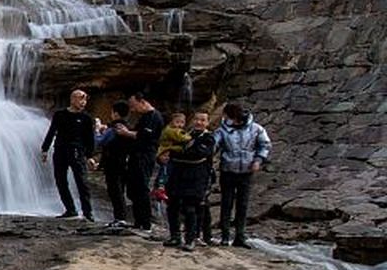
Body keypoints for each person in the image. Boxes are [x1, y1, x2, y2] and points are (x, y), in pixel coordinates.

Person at [214, 102, 272, 248]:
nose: (225, 118)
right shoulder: (223, 130)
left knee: (243, 204)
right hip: (228, 170)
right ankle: (225, 236)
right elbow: (214, 145)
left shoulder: (256, 129)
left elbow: (264, 145)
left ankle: (240, 236)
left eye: (227, 115)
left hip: (246, 171)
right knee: (226, 203)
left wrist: (258, 160)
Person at [39, 88, 97, 220]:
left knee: (81, 182)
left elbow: (89, 138)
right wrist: (45, 149)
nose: (83, 102)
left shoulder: (86, 118)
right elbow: (52, 131)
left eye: (85, 99)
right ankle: (70, 209)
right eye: (80, 98)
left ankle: (87, 213)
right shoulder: (60, 114)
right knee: (60, 181)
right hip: (60, 150)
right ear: (72, 99)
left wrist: (90, 156)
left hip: (77, 151)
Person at [163, 108, 215, 251]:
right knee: (172, 205)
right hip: (177, 175)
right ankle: (175, 236)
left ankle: (190, 239)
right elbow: (171, 150)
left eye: (202, 120)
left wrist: (181, 152)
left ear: (207, 122)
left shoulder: (209, 138)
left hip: (196, 178)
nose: (199, 122)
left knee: (190, 208)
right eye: (197, 119)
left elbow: (199, 154)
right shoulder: (184, 134)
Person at [112, 91, 164, 232]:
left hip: (145, 156)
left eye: (134, 106)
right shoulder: (144, 117)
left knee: (141, 188)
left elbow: (145, 136)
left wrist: (127, 133)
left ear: (142, 102)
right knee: (133, 189)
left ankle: (146, 223)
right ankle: (138, 221)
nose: (133, 109)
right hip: (136, 156)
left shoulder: (154, 117)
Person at [93, 101, 133, 226]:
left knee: (115, 191)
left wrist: (97, 130)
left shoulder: (114, 129)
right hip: (124, 162)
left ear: (115, 113)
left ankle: (120, 218)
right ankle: (121, 218)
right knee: (120, 190)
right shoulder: (127, 127)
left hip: (113, 164)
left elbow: (99, 142)